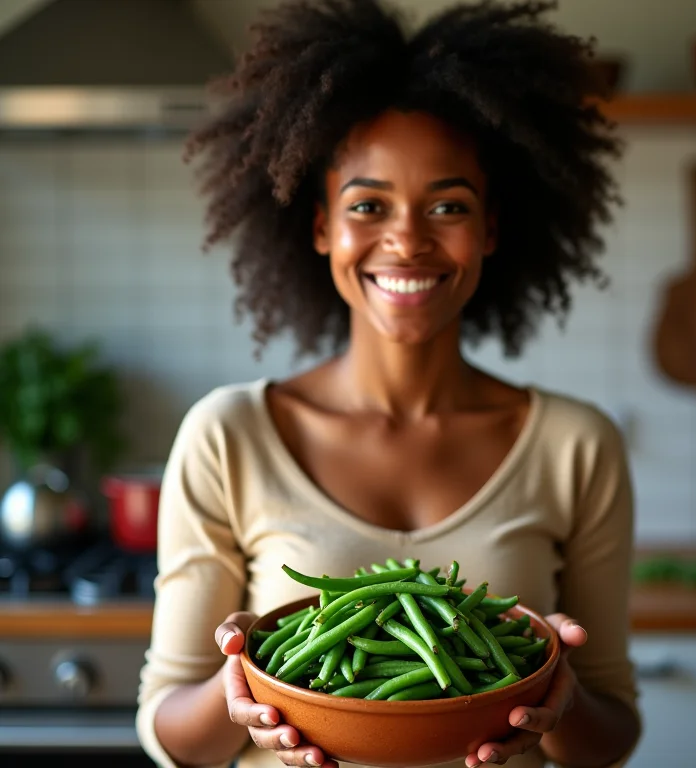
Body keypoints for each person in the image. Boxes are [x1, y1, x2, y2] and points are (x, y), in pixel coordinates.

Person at [135, 1, 642, 767]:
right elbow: (167, 728)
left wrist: (557, 699)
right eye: (367, 205)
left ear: (492, 229)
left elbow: (613, 733)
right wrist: (243, 691)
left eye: (448, 205)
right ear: (319, 227)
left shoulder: (577, 445)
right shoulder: (228, 435)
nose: (406, 238)